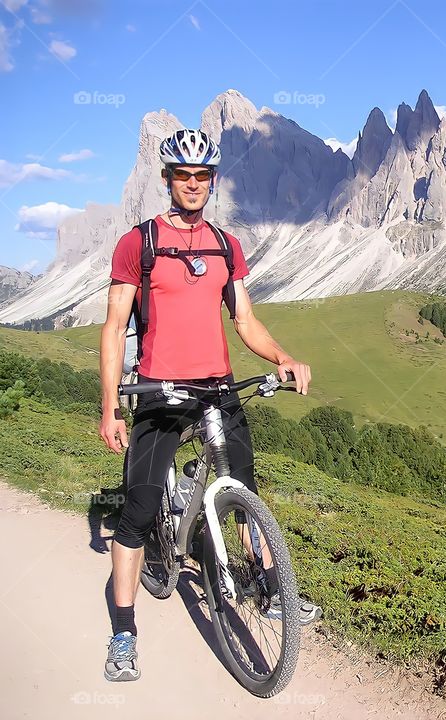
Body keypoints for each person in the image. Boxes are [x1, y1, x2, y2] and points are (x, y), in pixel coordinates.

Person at [98, 129, 319, 683]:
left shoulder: (226, 244)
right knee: (139, 510)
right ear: (168, 179)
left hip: (217, 386)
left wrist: (284, 357)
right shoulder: (138, 243)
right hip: (157, 392)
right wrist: (110, 408)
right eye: (183, 175)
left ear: (212, 181)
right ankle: (123, 632)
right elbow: (113, 328)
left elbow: (244, 321)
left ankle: (273, 594)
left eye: (202, 176)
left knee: (243, 490)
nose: (193, 185)